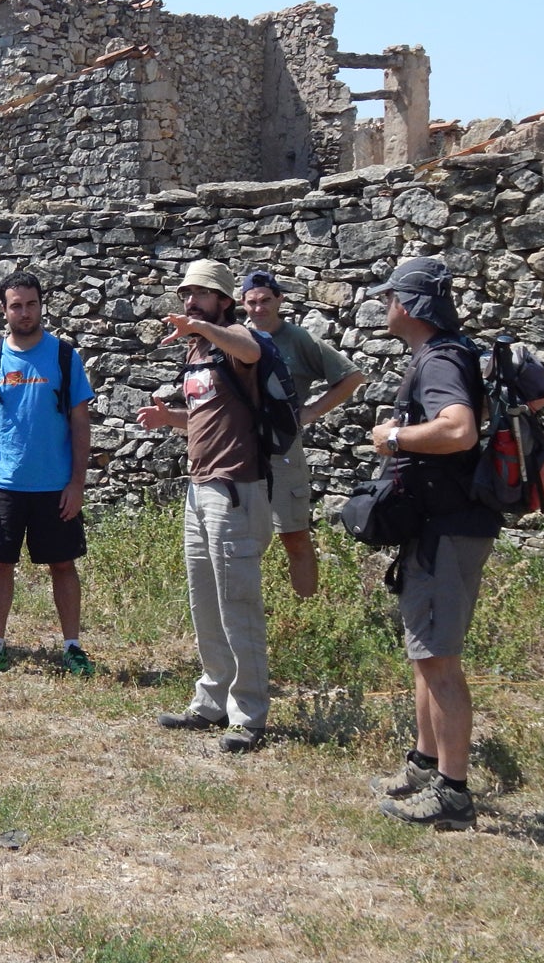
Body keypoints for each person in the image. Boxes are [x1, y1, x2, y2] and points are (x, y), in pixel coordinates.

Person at [365, 257, 498, 830]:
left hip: (449, 527)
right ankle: (425, 764)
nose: (385, 305)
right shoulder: (442, 354)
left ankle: (454, 791)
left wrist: (391, 437)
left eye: (392, 296)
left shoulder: (441, 358)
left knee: (439, 659)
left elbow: (458, 428)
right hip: (441, 526)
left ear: (412, 305)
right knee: (425, 651)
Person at [135, 259, 273, 754]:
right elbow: (205, 416)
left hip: (235, 488)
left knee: (238, 602)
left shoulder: (233, 337)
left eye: (202, 293)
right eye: (186, 294)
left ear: (223, 300)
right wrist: (169, 417)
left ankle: (249, 714)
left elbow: (253, 350)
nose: (190, 301)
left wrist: (204, 329)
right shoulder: (198, 349)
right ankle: (212, 700)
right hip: (200, 486)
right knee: (205, 600)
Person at [0, 273, 97, 678]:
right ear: (3, 309)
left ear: (42, 305)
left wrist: (76, 484)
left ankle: (73, 648)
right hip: (4, 485)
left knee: (63, 565)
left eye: (31, 304)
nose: (24, 312)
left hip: (55, 487)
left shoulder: (64, 357)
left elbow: (80, 423)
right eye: (16, 305)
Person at [239, 270, 364, 598]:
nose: (259, 308)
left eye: (266, 300)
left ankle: (306, 612)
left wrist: (309, 412)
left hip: (282, 451)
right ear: (242, 304)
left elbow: (351, 377)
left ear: (280, 299)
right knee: (240, 538)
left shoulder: (298, 339)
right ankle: (253, 609)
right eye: (252, 302)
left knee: (293, 536)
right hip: (239, 451)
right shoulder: (236, 338)